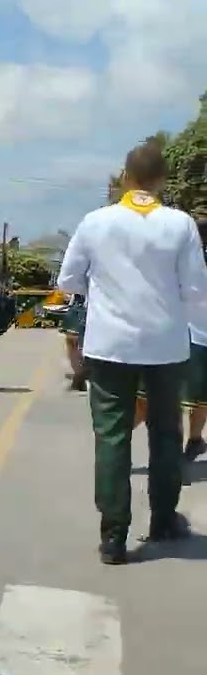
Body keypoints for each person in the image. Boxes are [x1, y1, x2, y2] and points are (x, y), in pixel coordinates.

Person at [58, 142, 207, 565]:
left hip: (110, 344)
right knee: (165, 433)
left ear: (125, 177)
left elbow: (69, 280)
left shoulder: (96, 222)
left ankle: (113, 535)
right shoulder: (180, 224)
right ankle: (163, 520)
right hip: (166, 345)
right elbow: (196, 290)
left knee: (112, 436)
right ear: (163, 180)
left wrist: (106, 294)